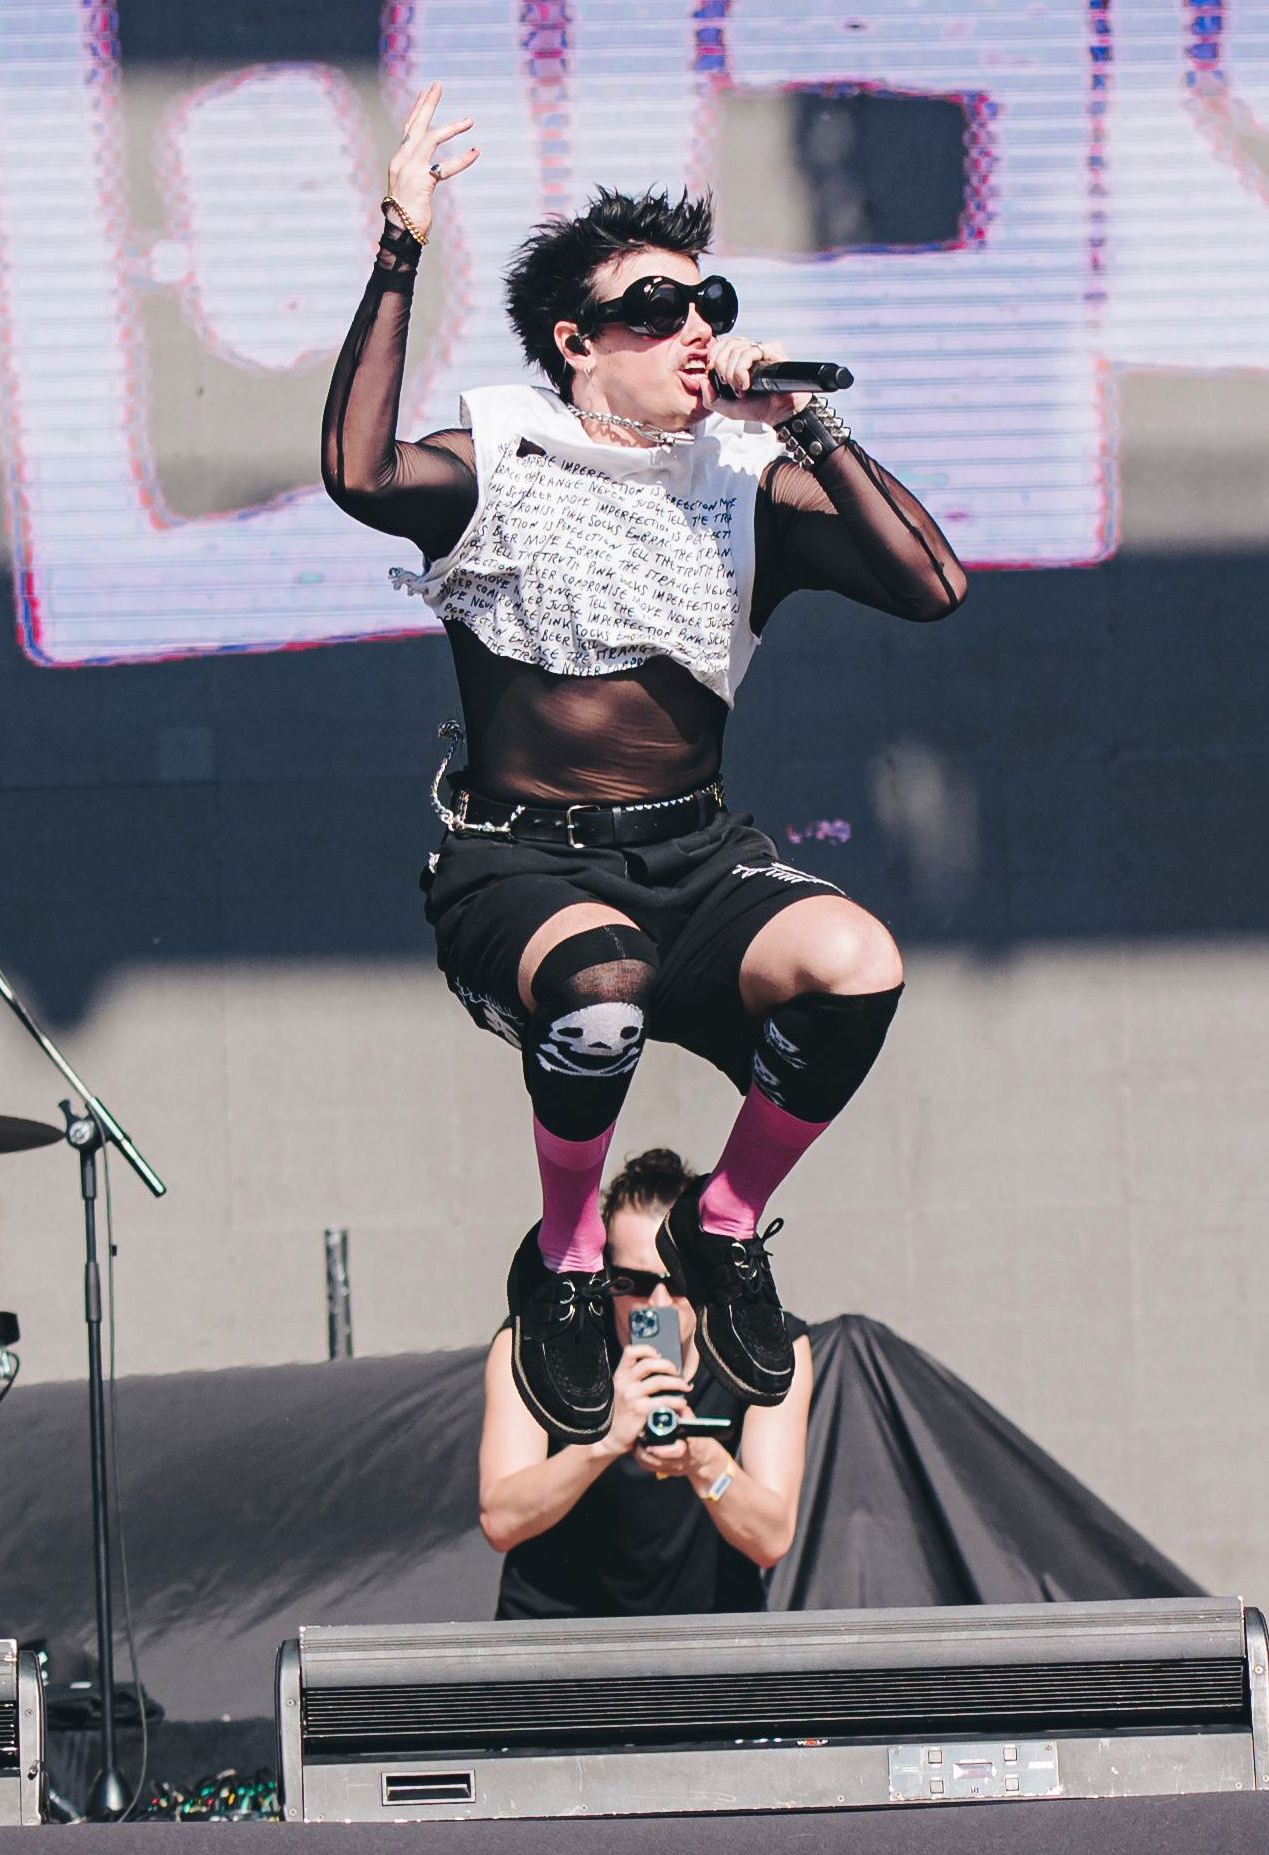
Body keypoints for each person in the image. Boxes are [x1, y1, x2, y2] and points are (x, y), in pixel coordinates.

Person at [319, 86, 964, 1445]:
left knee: (858, 960)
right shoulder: (500, 456)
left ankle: (724, 1226)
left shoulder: (739, 479)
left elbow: (932, 585)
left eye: (705, 306)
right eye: (656, 311)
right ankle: (560, 1258)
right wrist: (397, 247)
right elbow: (359, 468)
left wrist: (804, 424)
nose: (695, 335)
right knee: (600, 986)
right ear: (576, 342)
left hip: (695, 851)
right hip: (518, 859)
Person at [479, 1149, 811, 1618]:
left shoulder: (764, 1350)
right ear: (602, 1276)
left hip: (706, 1638)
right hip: (561, 1637)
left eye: (676, 1281)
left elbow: (772, 1538)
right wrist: (603, 1440)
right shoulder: (539, 1345)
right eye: (632, 1281)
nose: (656, 1301)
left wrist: (703, 1460)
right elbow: (500, 1520)